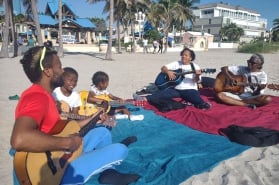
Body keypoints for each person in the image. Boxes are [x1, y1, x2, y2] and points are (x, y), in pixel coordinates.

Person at [10, 46, 140, 185]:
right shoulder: (37, 96)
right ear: (48, 71)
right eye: (59, 67)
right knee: (120, 150)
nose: (63, 71)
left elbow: (64, 128)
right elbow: (19, 139)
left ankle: (108, 173)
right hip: (53, 172)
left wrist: (95, 117)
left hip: (57, 154)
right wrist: (67, 143)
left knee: (103, 133)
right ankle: (101, 164)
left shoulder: (46, 95)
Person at [133, 47, 211, 110]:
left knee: (199, 101)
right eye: (182, 55)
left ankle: (201, 104)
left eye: (186, 55)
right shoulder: (177, 63)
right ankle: (141, 98)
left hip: (190, 90)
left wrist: (197, 75)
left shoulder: (195, 67)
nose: (183, 56)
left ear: (190, 58)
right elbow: (163, 68)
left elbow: (197, 81)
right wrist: (168, 72)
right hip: (176, 89)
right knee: (159, 95)